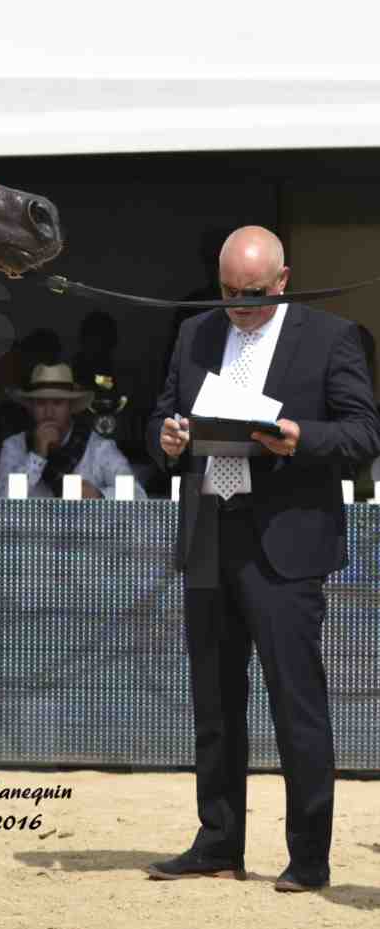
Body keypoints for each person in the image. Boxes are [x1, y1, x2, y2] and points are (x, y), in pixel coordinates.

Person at [145, 225, 380, 891]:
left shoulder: (328, 338)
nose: (238, 305)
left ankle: (307, 856)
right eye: (227, 292)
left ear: (281, 280)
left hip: (285, 539)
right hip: (211, 529)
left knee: (294, 701)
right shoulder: (196, 332)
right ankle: (217, 841)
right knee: (214, 701)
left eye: (251, 293)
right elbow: (162, 417)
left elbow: (362, 432)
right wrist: (165, 436)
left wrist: (299, 438)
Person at [0, 363, 139, 498]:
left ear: (70, 407)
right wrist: (37, 456)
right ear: (31, 408)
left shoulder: (98, 448)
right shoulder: (14, 446)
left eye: (58, 403)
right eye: (41, 403)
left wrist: (99, 495)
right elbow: (1, 502)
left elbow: (137, 495)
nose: (49, 412)